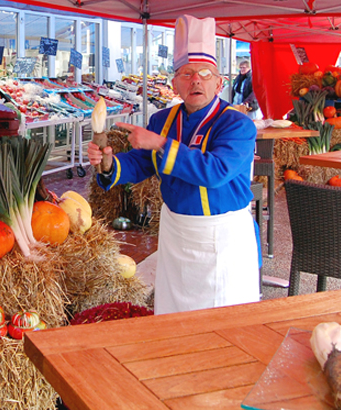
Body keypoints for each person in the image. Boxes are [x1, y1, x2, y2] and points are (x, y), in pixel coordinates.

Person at [87, 14, 260, 315]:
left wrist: (161, 144)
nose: (196, 80)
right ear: (174, 84)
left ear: (219, 83)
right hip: (176, 232)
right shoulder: (161, 120)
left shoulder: (237, 125)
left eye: (205, 73)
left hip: (222, 235)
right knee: (173, 314)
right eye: (187, 73)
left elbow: (214, 171)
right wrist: (108, 163)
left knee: (222, 322)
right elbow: (141, 164)